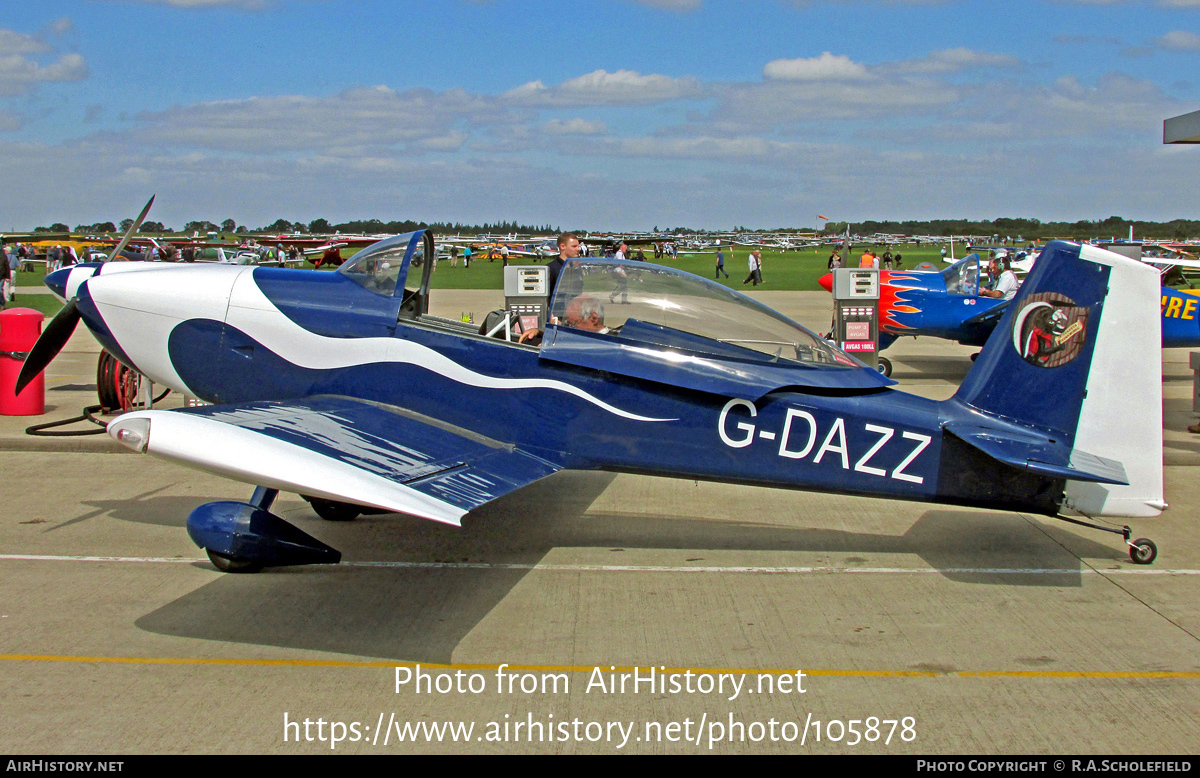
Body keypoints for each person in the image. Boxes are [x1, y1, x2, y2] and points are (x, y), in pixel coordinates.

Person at [546, 232, 581, 306]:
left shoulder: (576, 268)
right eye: (574, 246)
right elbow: (546, 298)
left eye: (578, 246)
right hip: (557, 313)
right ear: (562, 246)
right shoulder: (550, 269)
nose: (578, 249)